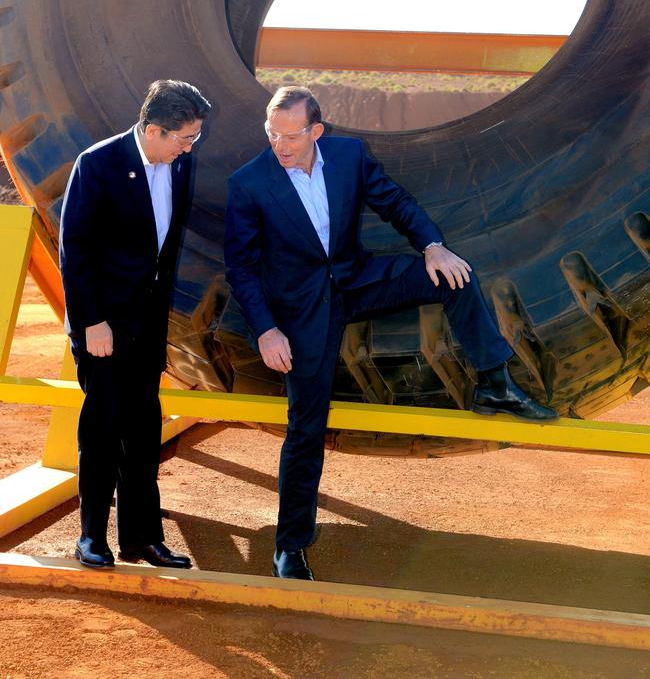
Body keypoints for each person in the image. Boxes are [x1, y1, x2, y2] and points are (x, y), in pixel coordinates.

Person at [224, 85, 556, 581]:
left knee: (455, 275)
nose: (279, 146)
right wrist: (268, 330)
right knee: (306, 427)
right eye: (272, 135)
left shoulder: (348, 155)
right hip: (300, 311)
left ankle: (494, 384)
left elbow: (394, 201)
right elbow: (242, 268)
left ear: (317, 130)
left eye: (290, 136)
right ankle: (290, 546)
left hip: (356, 281)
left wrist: (432, 245)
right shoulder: (249, 183)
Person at [60, 79, 211, 570]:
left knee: (144, 431)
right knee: (102, 429)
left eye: (194, 138)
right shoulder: (97, 164)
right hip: (102, 326)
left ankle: (142, 538)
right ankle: (91, 538)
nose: (190, 147)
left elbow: (163, 254)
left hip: (147, 326)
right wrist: (92, 323)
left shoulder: (180, 164)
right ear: (153, 129)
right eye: (184, 137)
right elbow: (76, 252)